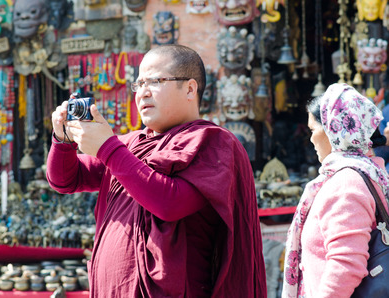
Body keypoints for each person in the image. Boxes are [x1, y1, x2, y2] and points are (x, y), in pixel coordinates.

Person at [47, 44, 267, 297]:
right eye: (139, 84)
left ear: (190, 88)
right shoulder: (130, 145)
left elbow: (169, 203)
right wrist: (62, 141)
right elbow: (65, 180)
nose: (143, 93)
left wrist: (107, 148)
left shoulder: (213, 142)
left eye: (155, 81)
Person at [282, 83, 389, 297]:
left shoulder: (346, 183)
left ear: (335, 129)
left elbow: (345, 266)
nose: (311, 139)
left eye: (314, 130)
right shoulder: (365, 171)